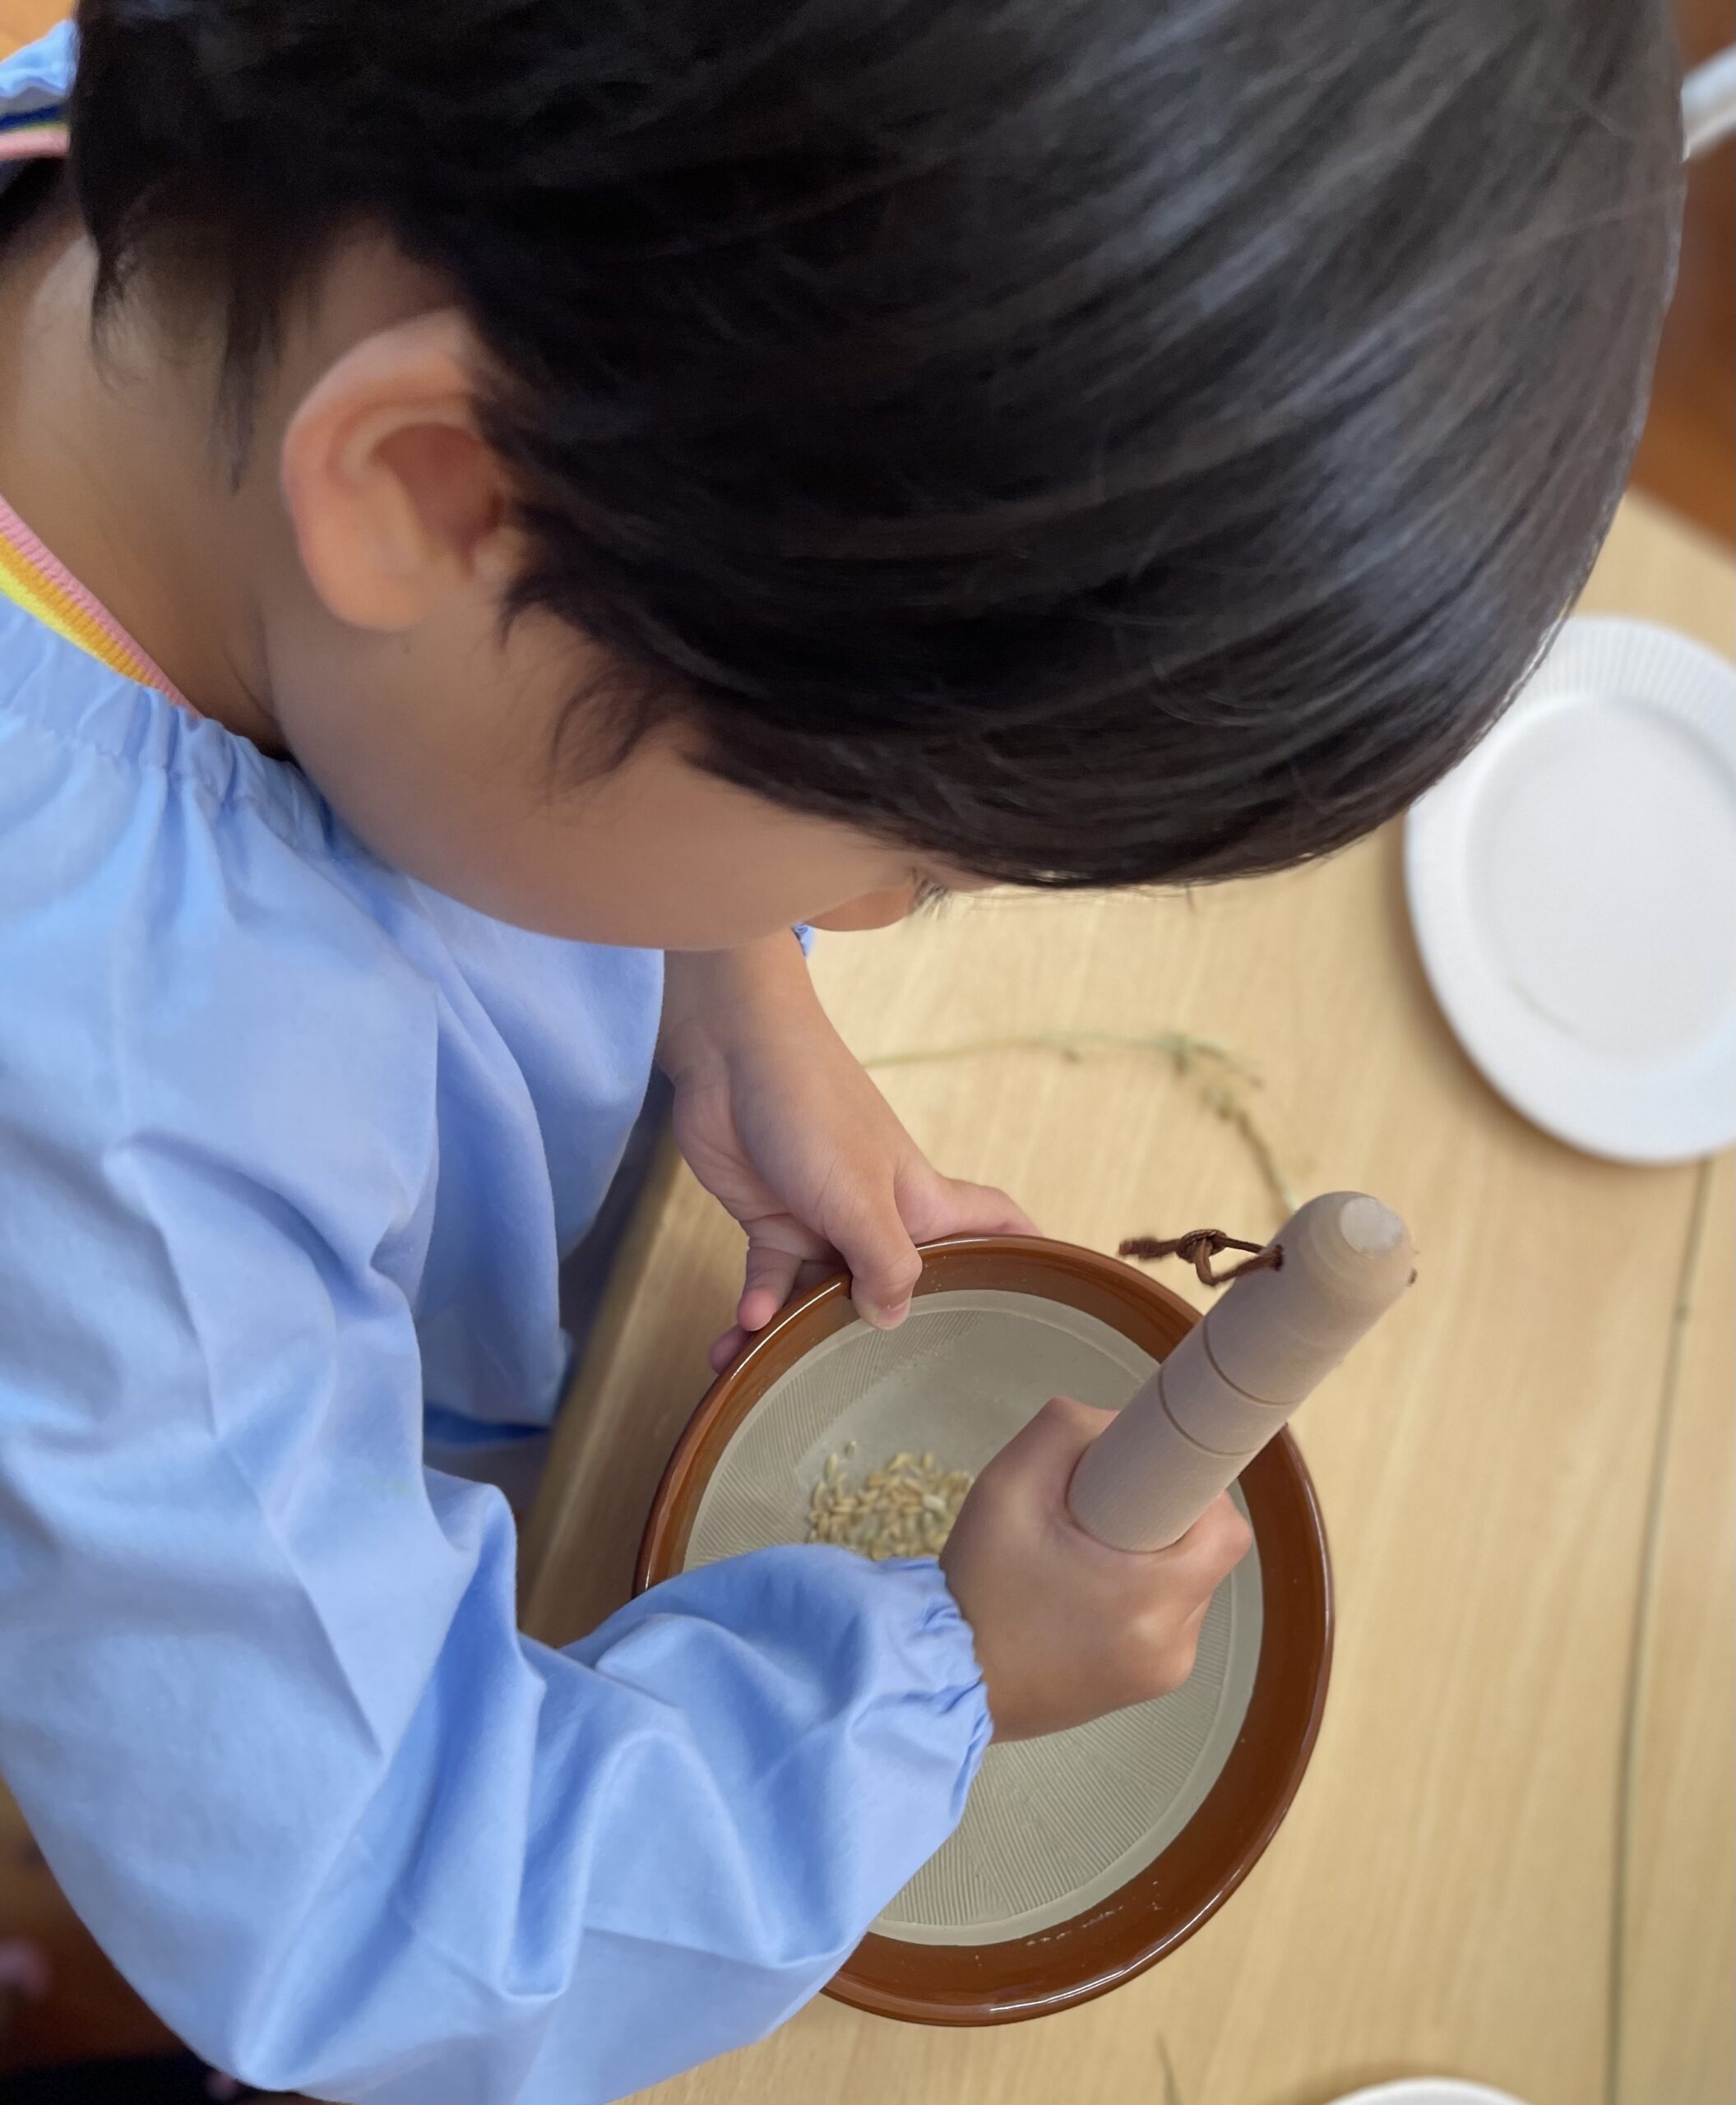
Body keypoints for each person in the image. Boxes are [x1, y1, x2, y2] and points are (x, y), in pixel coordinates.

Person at [0, 3, 1678, 2099]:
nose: (878, 915)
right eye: (904, 853)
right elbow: (360, 1888)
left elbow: (538, 640)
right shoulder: (110, 1141)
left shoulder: (282, 184)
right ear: (441, 493)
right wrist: (935, 1671)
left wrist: (736, 974)